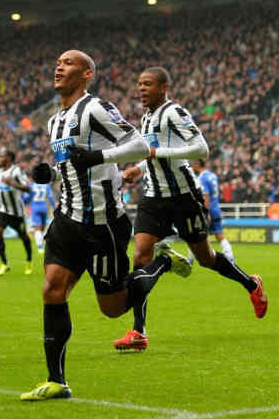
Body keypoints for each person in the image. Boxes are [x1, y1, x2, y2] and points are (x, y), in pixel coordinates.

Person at [20, 51, 189, 401]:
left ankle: (162, 262)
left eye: (68, 63)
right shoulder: (54, 122)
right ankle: (57, 381)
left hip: (104, 224)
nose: (59, 66)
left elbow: (140, 145)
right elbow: (72, 168)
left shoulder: (96, 109)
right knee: (52, 289)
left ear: (86, 74)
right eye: (57, 62)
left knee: (112, 309)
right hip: (67, 219)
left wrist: (100, 156)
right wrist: (48, 174)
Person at [115, 67, 268, 352]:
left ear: (163, 87)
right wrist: (137, 168)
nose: (141, 89)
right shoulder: (147, 117)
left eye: (147, 84)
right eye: (139, 84)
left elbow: (201, 149)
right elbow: (153, 154)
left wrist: (157, 153)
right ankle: (139, 332)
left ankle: (251, 285)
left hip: (185, 198)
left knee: (206, 257)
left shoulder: (175, 112)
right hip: (154, 197)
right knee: (140, 254)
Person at [0, 150, 33, 276]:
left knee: (24, 237)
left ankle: (29, 261)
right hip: (2, 210)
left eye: (2, 156)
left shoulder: (17, 171)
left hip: (16, 212)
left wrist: (12, 184)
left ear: (9, 158)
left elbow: (28, 188)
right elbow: (0, 188)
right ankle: (4, 264)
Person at [189, 159, 234, 262]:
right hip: (216, 208)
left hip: (208, 210)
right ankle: (230, 258)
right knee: (220, 236)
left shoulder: (202, 178)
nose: (192, 166)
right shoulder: (212, 175)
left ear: (197, 164)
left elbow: (206, 196)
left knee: (196, 236)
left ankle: (190, 260)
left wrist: (205, 213)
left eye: (193, 164)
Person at [24, 180, 56, 254]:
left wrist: (24, 202)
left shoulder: (32, 185)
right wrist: (54, 207)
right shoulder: (46, 185)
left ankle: (40, 247)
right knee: (43, 228)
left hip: (35, 207)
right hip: (44, 207)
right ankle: (46, 245)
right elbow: (50, 197)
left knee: (37, 228)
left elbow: (27, 197)